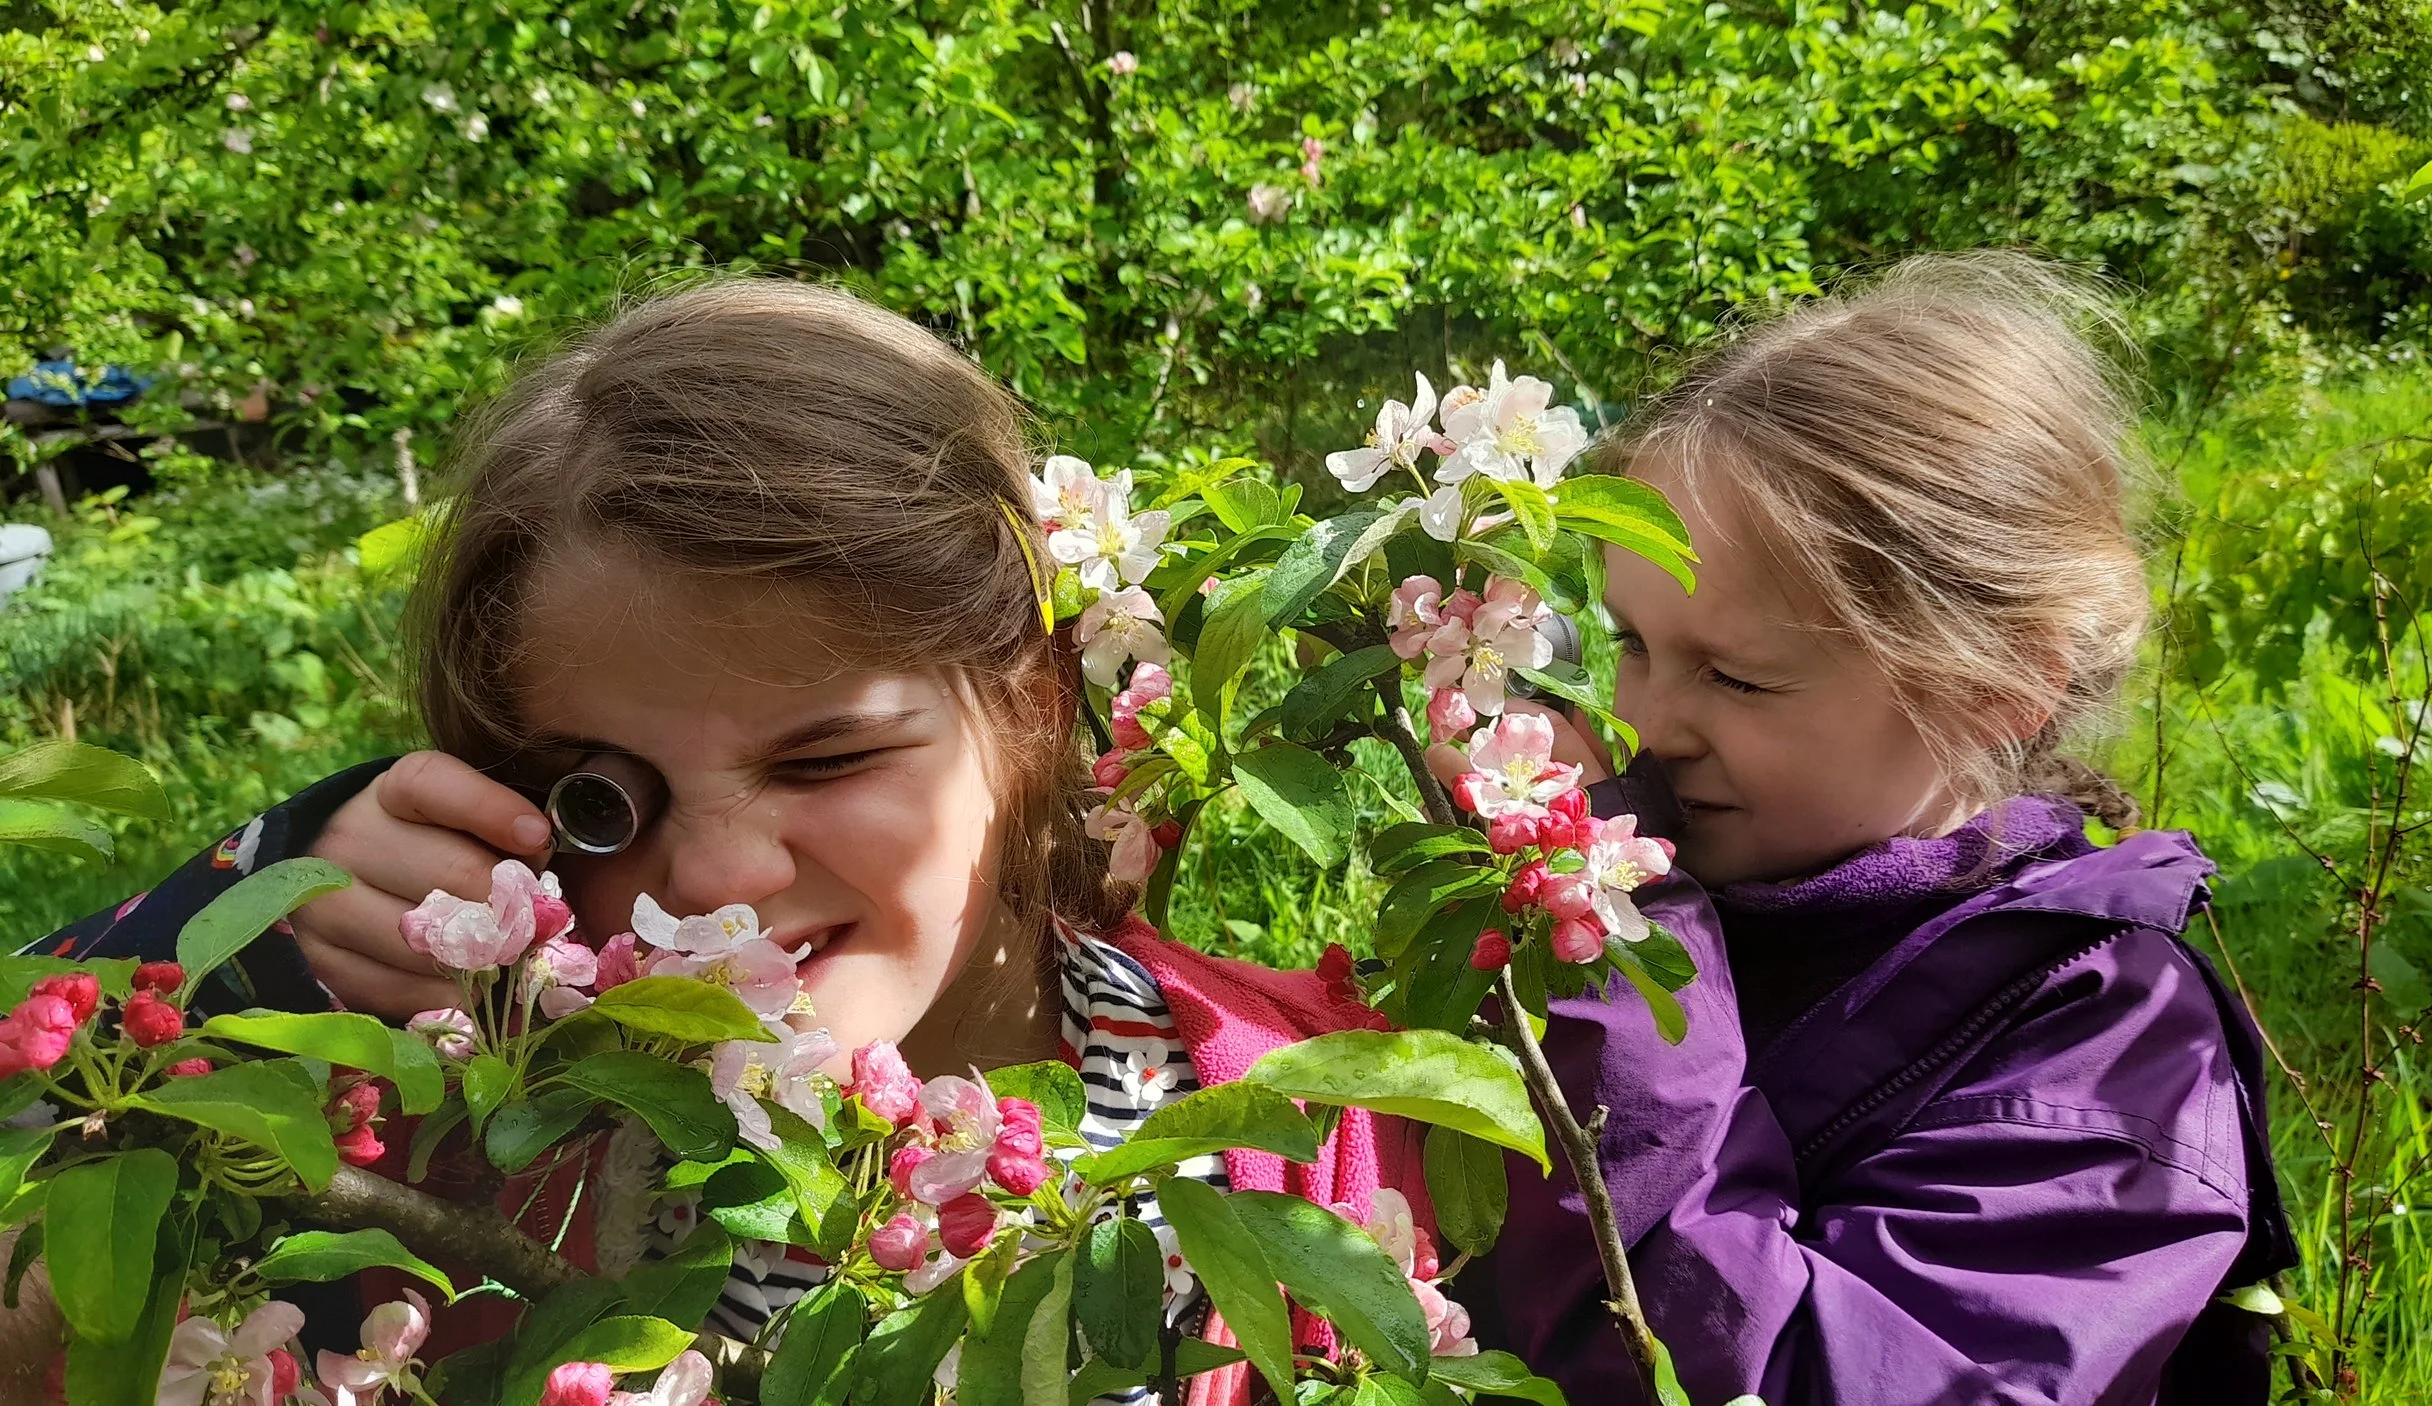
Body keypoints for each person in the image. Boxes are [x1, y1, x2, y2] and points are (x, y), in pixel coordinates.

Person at [20, 280, 1425, 1404]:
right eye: (600, 795)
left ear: (1031, 703)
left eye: (827, 756)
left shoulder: (1299, 1133)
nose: (715, 880)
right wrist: (253, 927)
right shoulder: (447, 1164)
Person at [1462, 253, 2296, 1404]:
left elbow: (1780, 1376)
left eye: (1739, 678)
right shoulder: (1726, 863)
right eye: (1634, 643)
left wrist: (1617, 931)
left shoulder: (2113, 1053)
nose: (1647, 718)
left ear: (1995, 686)